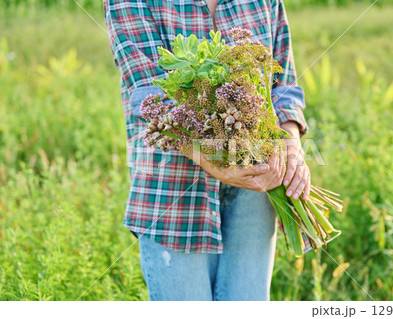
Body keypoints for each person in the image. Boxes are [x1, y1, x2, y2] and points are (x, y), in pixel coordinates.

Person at [104, 0, 310, 301]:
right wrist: (214, 161)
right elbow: (149, 94)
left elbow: (284, 83)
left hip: (257, 188)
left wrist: (291, 143)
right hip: (173, 194)